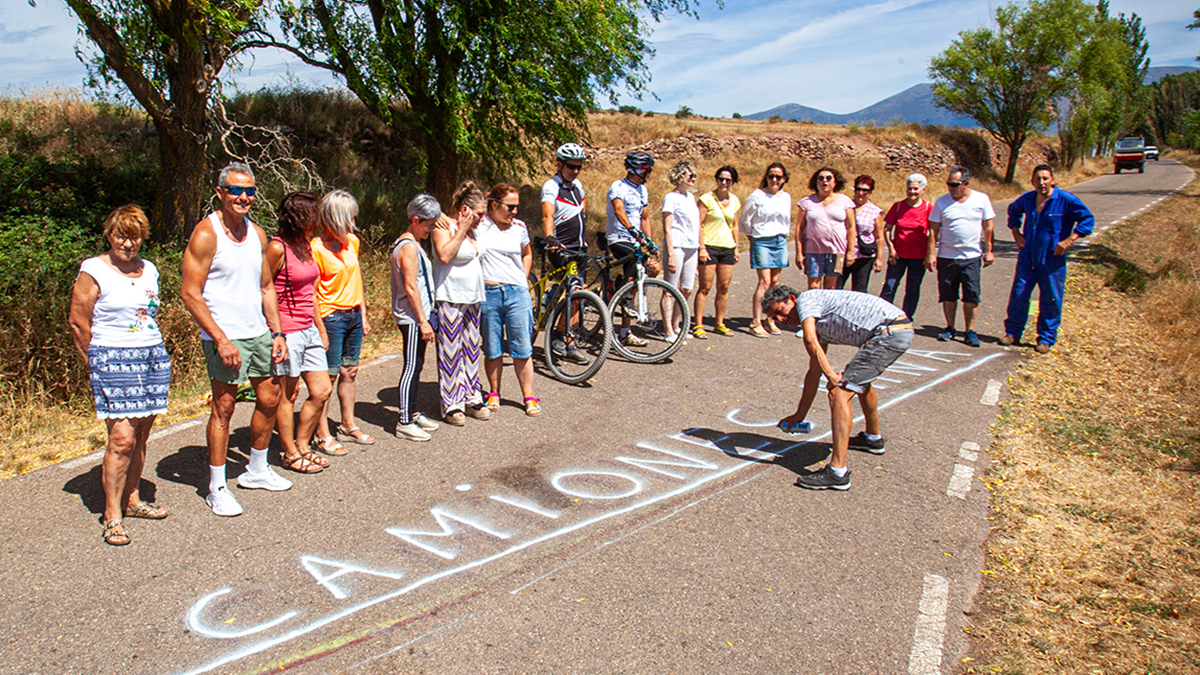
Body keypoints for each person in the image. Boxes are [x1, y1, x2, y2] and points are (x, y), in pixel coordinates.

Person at [181, 162, 291, 517]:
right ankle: (217, 486)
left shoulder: (257, 234)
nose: (243, 197)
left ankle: (256, 469)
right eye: (235, 190)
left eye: (249, 191)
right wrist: (220, 339)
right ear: (220, 193)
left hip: (258, 331)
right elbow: (190, 293)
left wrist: (276, 332)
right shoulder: (206, 234)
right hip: (224, 335)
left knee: (271, 397)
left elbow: (265, 286)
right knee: (224, 408)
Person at [69, 204, 171, 544]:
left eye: (135, 237)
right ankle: (111, 514)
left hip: (151, 355)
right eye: (120, 236)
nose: (127, 244)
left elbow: (149, 314)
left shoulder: (150, 270)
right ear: (109, 234)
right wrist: (94, 361)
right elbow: (78, 321)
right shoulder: (94, 270)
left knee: (141, 434)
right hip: (112, 357)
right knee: (122, 438)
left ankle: (132, 500)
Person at [764, 285, 913, 491]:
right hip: (892, 331)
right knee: (858, 381)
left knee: (839, 392)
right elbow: (814, 372)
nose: (781, 320)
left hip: (889, 332)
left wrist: (833, 378)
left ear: (792, 299)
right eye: (775, 318)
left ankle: (837, 472)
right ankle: (872, 438)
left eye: (780, 311)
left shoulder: (808, 300)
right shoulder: (817, 324)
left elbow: (809, 339)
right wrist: (799, 415)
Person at [265, 191, 333, 474]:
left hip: (309, 327)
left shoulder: (306, 245)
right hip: (287, 330)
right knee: (288, 395)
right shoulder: (277, 248)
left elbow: (311, 292)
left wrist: (320, 327)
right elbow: (264, 288)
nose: (317, 223)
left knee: (322, 390)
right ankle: (289, 451)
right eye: (312, 217)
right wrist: (276, 332)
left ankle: (303, 443)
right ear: (298, 218)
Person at [1001, 164, 1094, 353]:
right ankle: (1013, 333)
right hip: (1028, 256)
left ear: (1053, 180)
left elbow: (1087, 219)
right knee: (1019, 295)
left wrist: (1069, 240)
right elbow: (1013, 211)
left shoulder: (1065, 200)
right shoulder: (1027, 199)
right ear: (1032, 181)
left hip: (1053, 259)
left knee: (1051, 298)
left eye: (1045, 178)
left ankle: (1046, 339)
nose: (1041, 182)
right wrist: (1016, 233)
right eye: (1037, 179)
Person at [312, 189, 373, 453]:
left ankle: (348, 424)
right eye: (347, 219)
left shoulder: (352, 242)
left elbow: (356, 279)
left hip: (353, 316)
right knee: (328, 378)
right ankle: (321, 432)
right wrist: (321, 327)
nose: (352, 225)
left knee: (350, 372)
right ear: (333, 219)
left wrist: (364, 314)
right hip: (331, 318)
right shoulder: (315, 248)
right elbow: (312, 292)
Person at [477, 183, 540, 416]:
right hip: (489, 294)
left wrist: (522, 279)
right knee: (492, 347)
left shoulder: (519, 228)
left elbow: (527, 253)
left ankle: (529, 397)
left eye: (516, 207)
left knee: (522, 347)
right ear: (494, 205)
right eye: (510, 207)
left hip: (517, 294)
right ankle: (494, 392)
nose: (514, 212)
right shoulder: (480, 225)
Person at [432, 182, 491, 425]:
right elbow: (444, 255)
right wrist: (461, 228)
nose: (482, 218)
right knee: (450, 351)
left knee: (470, 349)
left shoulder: (476, 231)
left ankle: (471, 394)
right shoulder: (444, 226)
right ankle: (451, 403)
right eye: (479, 214)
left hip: (473, 297)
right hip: (450, 296)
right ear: (465, 210)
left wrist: (470, 228)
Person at [926, 166, 995, 348]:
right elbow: (933, 230)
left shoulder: (981, 199)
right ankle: (950, 327)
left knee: (971, 295)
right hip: (947, 256)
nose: (951, 188)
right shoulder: (942, 202)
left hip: (971, 256)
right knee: (948, 294)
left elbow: (988, 226)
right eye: (948, 184)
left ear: (965, 183)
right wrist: (930, 253)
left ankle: (969, 330)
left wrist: (989, 250)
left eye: (955, 185)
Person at [391, 194, 442, 441]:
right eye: (429, 225)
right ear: (415, 220)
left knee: (418, 364)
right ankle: (403, 420)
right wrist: (423, 321)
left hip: (418, 316)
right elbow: (410, 287)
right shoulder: (408, 247)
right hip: (411, 318)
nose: (431, 230)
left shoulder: (414, 244)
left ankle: (412, 412)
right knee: (411, 366)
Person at [541, 142, 592, 365]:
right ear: (559, 165)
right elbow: (547, 214)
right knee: (575, 289)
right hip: (561, 246)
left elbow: (582, 206)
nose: (576, 170)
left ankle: (563, 336)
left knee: (580, 294)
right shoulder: (551, 186)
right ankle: (564, 340)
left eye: (579, 166)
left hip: (579, 247)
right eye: (571, 166)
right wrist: (550, 237)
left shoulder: (577, 186)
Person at [606, 150, 655, 347]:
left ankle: (625, 331)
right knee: (635, 265)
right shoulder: (618, 186)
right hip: (618, 238)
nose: (649, 174)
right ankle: (620, 292)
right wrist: (632, 231)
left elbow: (645, 217)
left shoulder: (643, 190)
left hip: (635, 240)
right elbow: (618, 210)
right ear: (639, 170)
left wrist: (649, 241)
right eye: (648, 170)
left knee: (646, 272)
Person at [739, 162, 792, 337]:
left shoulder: (786, 197)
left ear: (784, 179)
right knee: (764, 282)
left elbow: (787, 220)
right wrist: (752, 237)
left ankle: (771, 318)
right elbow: (745, 220)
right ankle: (755, 321)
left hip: (780, 240)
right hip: (762, 239)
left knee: (775, 282)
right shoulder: (757, 196)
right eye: (771, 176)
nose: (774, 180)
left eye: (778, 177)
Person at [692, 165, 741, 338]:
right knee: (705, 287)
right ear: (716, 179)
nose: (724, 182)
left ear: (733, 182)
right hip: (710, 246)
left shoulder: (734, 200)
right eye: (721, 178)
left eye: (728, 180)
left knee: (724, 287)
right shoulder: (707, 198)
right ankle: (698, 325)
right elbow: (697, 223)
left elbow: (734, 224)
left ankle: (719, 323)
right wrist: (702, 247)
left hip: (727, 247)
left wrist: (736, 246)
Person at [880, 174, 933, 320]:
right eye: (910, 189)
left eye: (916, 189)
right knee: (890, 286)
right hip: (898, 255)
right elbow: (887, 229)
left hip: (918, 256)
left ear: (923, 190)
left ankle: (906, 317)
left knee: (912, 288)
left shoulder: (928, 208)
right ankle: (882, 315)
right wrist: (891, 248)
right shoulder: (898, 206)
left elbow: (933, 233)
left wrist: (930, 254)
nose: (912, 192)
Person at [797, 167, 856, 291]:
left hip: (836, 251)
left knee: (831, 287)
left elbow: (851, 227)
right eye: (820, 178)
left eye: (829, 178)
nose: (825, 181)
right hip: (813, 251)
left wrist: (851, 252)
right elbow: (799, 228)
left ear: (835, 182)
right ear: (816, 182)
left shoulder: (845, 201)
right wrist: (799, 253)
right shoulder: (807, 202)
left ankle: (827, 311)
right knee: (814, 287)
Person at [660, 160, 701, 341]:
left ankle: (677, 325)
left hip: (692, 246)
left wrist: (701, 247)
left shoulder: (690, 197)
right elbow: (667, 228)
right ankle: (668, 329)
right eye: (690, 175)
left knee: (687, 288)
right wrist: (670, 254)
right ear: (679, 176)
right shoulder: (671, 197)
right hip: (676, 245)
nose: (693, 178)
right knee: (670, 289)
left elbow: (696, 224)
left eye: (694, 175)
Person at [838, 175, 884, 293]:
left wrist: (879, 259)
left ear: (870, 193)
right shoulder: (845, 207)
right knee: (836, 288)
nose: (861, 193)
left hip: (864, 256)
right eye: (858, 189)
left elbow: (879, 237)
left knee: (860, 291)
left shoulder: (875, 212)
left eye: (865, 190)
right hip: (844, 252)